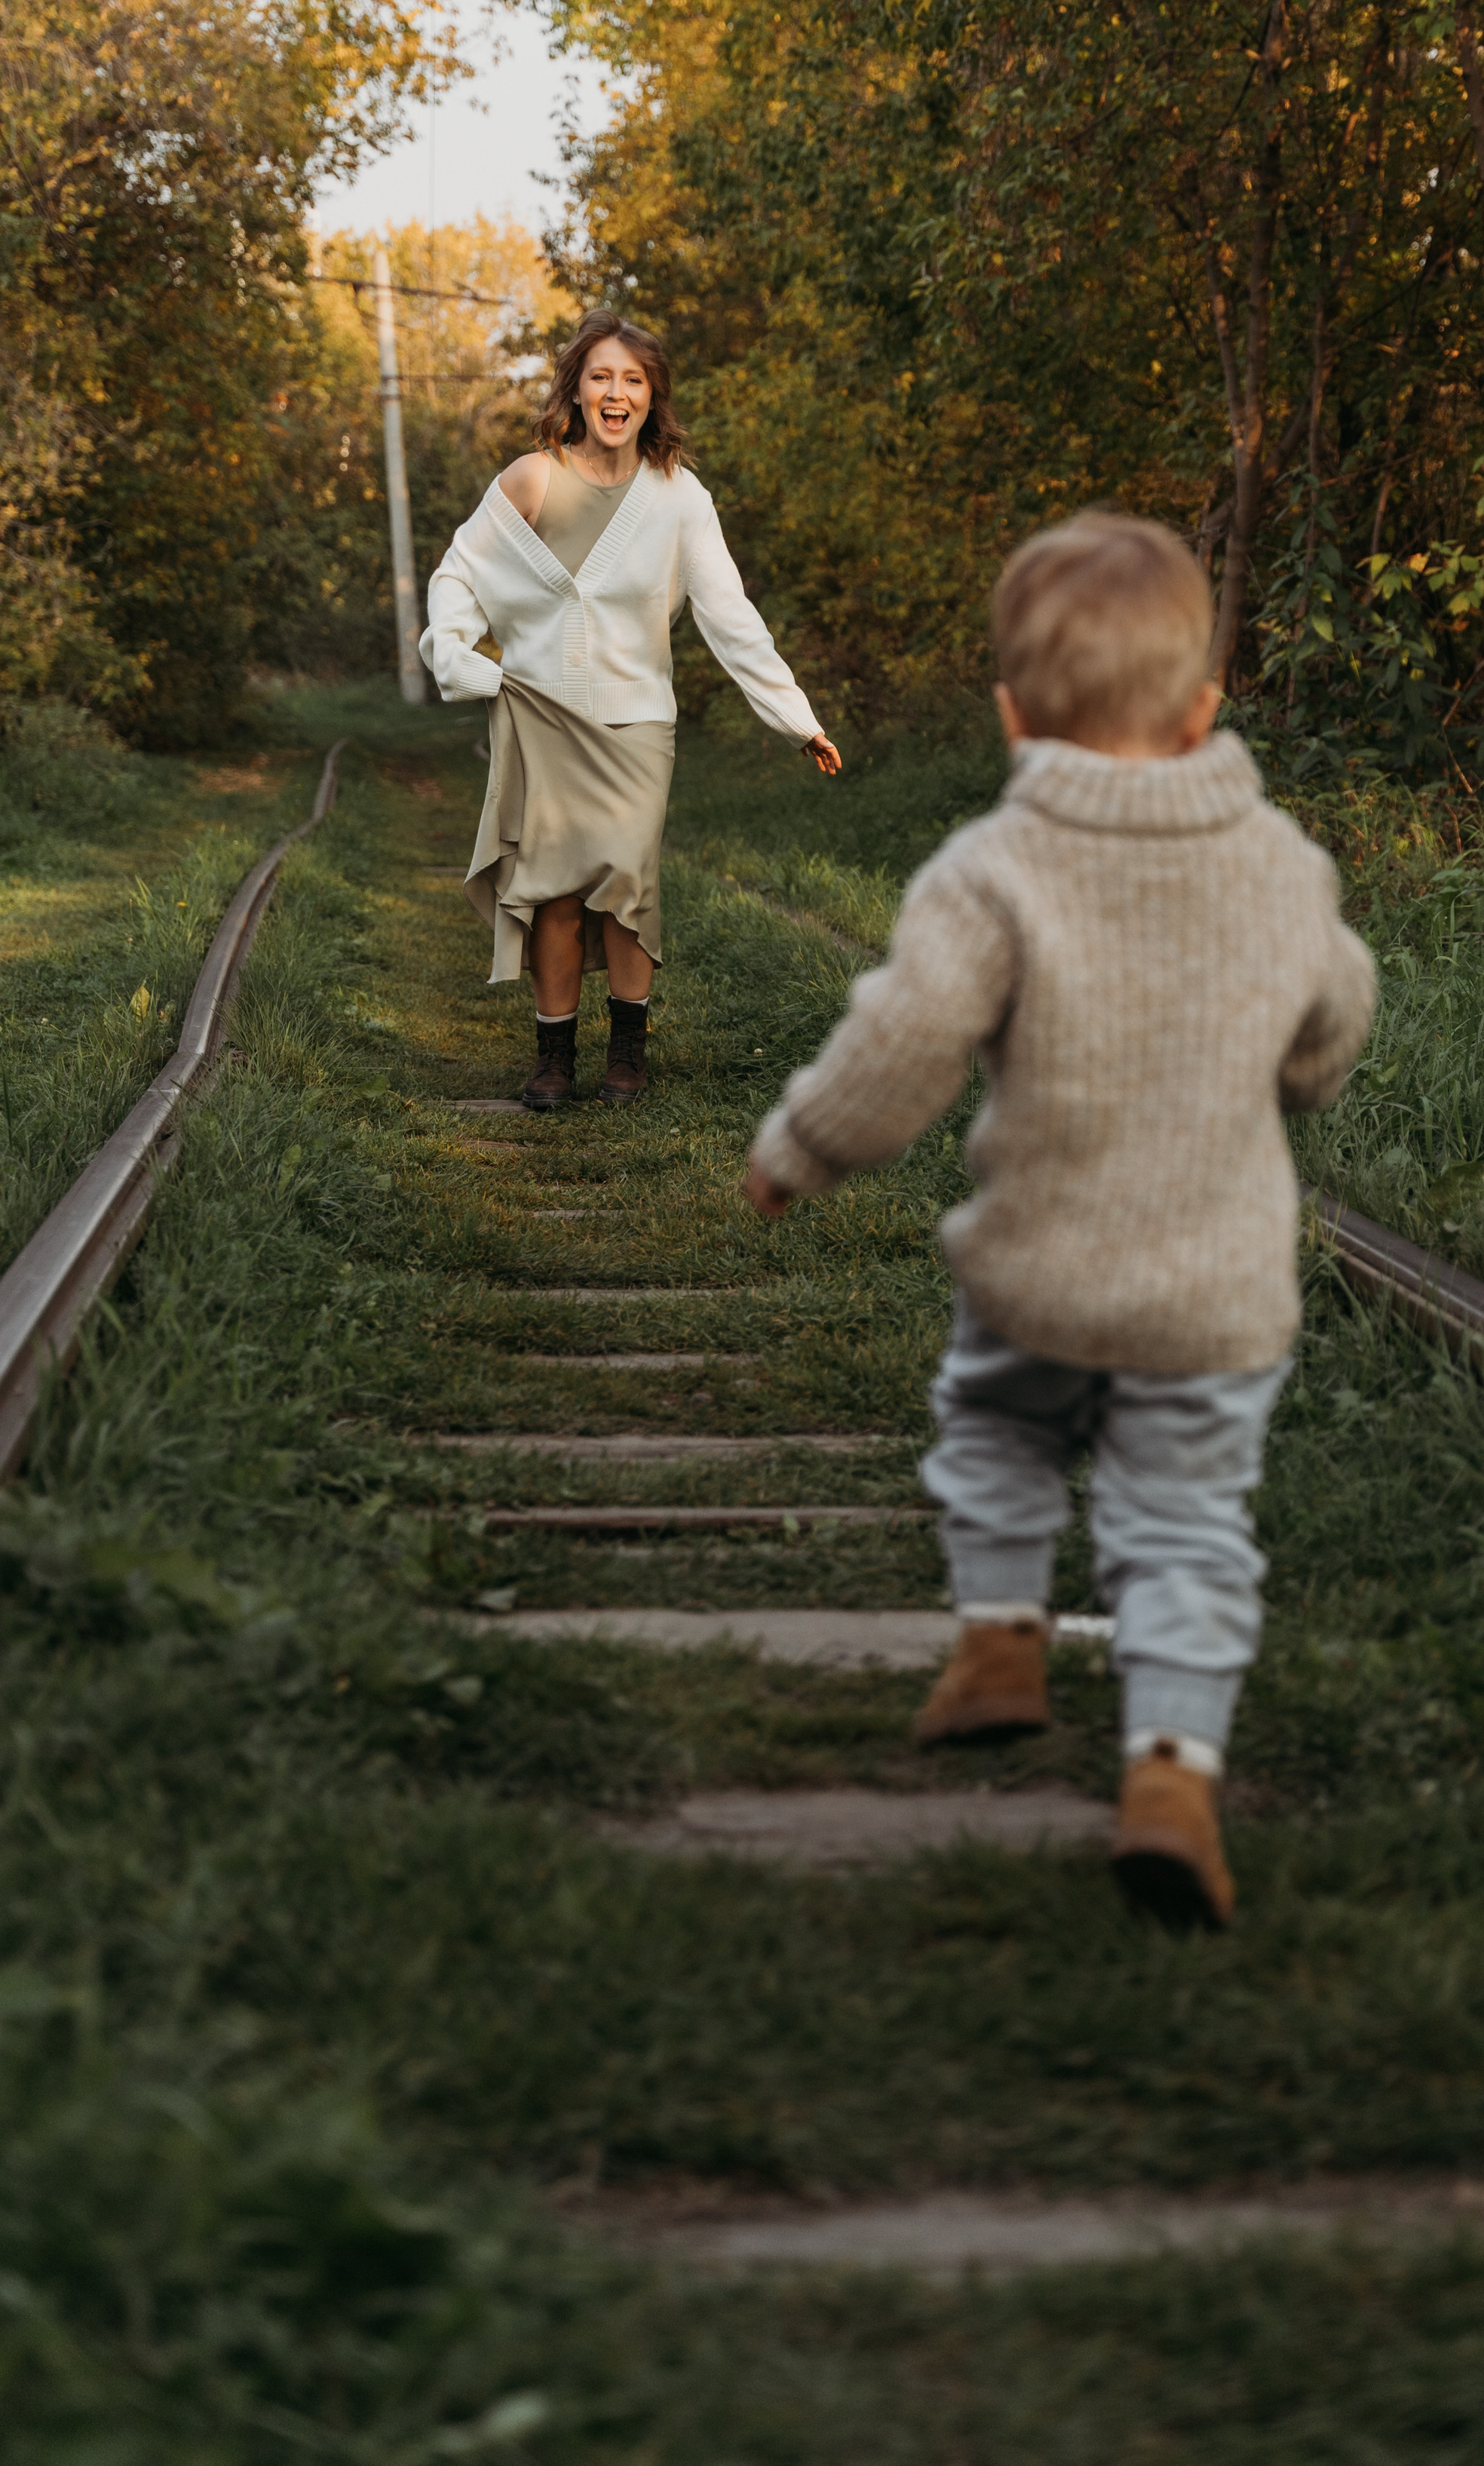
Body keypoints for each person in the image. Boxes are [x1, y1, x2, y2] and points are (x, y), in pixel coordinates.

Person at [743, 511, 1376, 1930]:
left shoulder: (991, 867)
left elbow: (902, 1040)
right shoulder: (1281, 862)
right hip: (1215, 1300)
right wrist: (1303, 1073)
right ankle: (1169, 1773)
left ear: (1013, 717)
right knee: (1189, 1527)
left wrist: (800, 1148)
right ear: (1207, 709)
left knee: (996, 1428)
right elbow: (1336, 1014)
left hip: (1036, 1275)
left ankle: (1001, 1641)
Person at [420, 311, 841, 1108]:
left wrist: (794, 717)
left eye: (633, 381)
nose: (616, 394)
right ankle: (551, 1059)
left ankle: (627, 1053)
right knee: (553, 890)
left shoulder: (679, 499)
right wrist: (455, 652)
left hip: (638, 724)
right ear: (576, 388)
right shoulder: (530, 480)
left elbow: (730, 614)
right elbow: (457, 575)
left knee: (625, 885)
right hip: (541, 715)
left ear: (653, 397)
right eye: (602, 377)